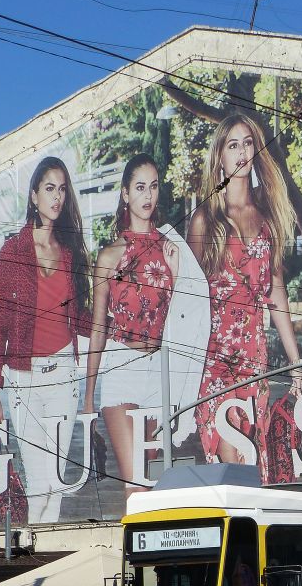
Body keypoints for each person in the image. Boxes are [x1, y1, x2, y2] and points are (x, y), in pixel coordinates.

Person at [187, 113, 302, 481]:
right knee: (230, 464)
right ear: (219, 156)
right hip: (214, 360)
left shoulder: (268, 218)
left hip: (254, 361)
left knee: (253, 467)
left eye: (247, 143)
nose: (241, 152)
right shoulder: (205, 218)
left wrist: (296, 363)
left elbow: (276, 294)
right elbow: (188, 301)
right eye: (232, 145)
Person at [84, 154, 210, 499]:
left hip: (160, 371)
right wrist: (87, 398)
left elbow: (193, 314)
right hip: (121, 367)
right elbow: (98, 328)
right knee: (135, 484)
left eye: (153, 187)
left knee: (153, 484)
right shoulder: (110, 256)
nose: (148, 195)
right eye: (140, 187)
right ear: (125, 194)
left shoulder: (171, 249)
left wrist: (178, 270)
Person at [0, 156, 91, 524]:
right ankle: (39, 566)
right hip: (25, 380)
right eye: (49, 189)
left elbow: (80, 318)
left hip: (64, 376)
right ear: (33, 195)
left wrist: (120, 318)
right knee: (39, 483)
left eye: (62, 189)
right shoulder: (12, 252)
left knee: (56, 482)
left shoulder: (72, 251)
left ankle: (43, 560)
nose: (57, 197)